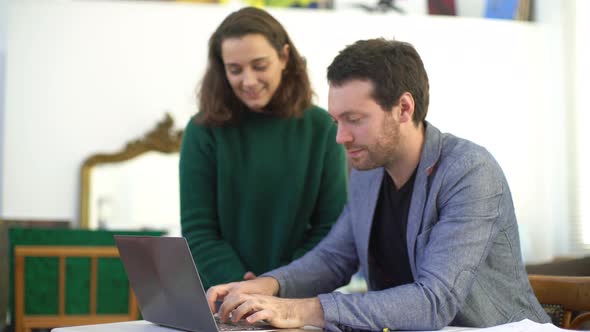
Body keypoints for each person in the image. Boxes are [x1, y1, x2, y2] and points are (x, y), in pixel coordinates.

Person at [205, 38, 551, 330]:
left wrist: (299, 309)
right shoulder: (368, 169)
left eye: (354, 120)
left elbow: (434, 301)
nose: (341, 137)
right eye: (336, 120)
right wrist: (268, 286)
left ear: (403, 108)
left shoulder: (469, 172)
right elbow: (334, 258)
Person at [179, 7, 347, 290]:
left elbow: (329, 228)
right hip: (222, 296)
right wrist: (243, 287)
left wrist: (277, 284)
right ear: (222, 68)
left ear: (283, 57)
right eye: (235, 70)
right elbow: (198, 231)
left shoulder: (322, 128)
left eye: (259, 66)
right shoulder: (202, 131)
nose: (248, 81)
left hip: (299, 297)